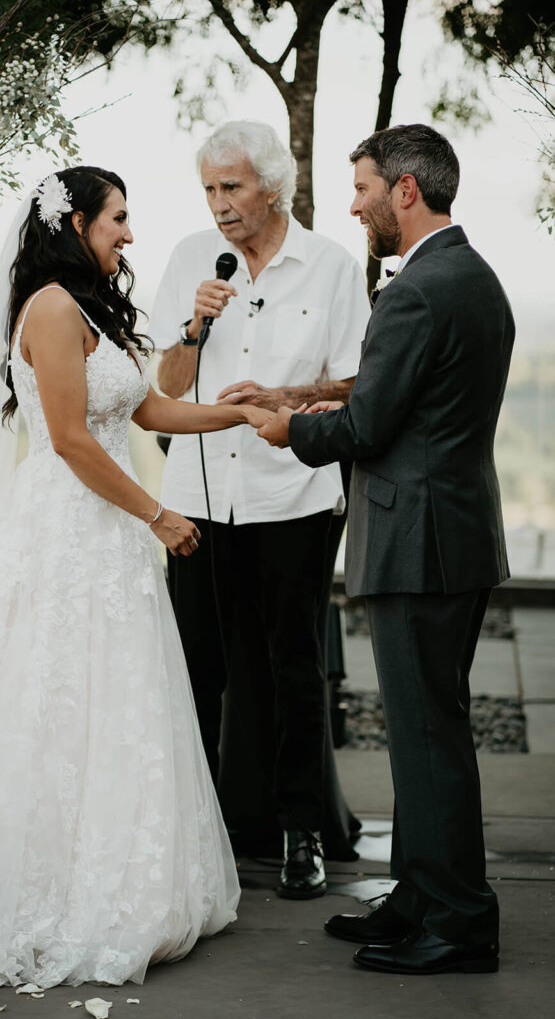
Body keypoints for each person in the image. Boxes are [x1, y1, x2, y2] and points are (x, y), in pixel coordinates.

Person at [0, 166, 274, 1014]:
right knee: (44, 698)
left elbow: (145, 412)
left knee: (110, 701)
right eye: (118, 218)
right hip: (66, 530)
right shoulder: (51, 309)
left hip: (108, 536)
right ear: (77, 222)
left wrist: (235, 416)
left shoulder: (88, 306)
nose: (129, 233)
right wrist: (158, 514)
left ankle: (110, 874)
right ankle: (36, 888)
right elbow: (68, 441)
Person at [258, 124, 513, 973]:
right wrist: (306, 391)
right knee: (419, 730)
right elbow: (402, 387)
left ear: (405, 189)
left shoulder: (414, 290)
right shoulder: (469, 277)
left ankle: (460, 922)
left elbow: (369, 425)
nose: (355, 201)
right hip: (452, 532)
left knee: (429, 736)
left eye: (362, 185)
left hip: (419, 542)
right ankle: (415, 896)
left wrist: (283, 426)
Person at [150, 121, 370, 897]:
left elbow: (353, 382)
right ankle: (194, 837)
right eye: (209, 189)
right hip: (197, 500)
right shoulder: (187, 263)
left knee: (292, 668)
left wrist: (284, 396)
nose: (218, 205)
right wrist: (193, 325)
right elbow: (168, 386)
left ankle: (300, 833)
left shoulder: (332, 268)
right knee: (197, 667)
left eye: (232, 187)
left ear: (271, 185)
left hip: (294, 496)